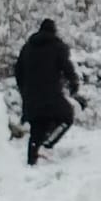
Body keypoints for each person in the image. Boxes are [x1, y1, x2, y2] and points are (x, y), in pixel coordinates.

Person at [15, 18, 84, 166]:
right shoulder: (57, 47)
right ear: (54, 31)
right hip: (51, 96)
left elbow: (18, 72)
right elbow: (67, 68)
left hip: (31, 98)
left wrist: (24, 92)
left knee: (36, 129)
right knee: (66, 117)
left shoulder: (27, 48)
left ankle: (31, 162)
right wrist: (74, 84)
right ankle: (46, 145)